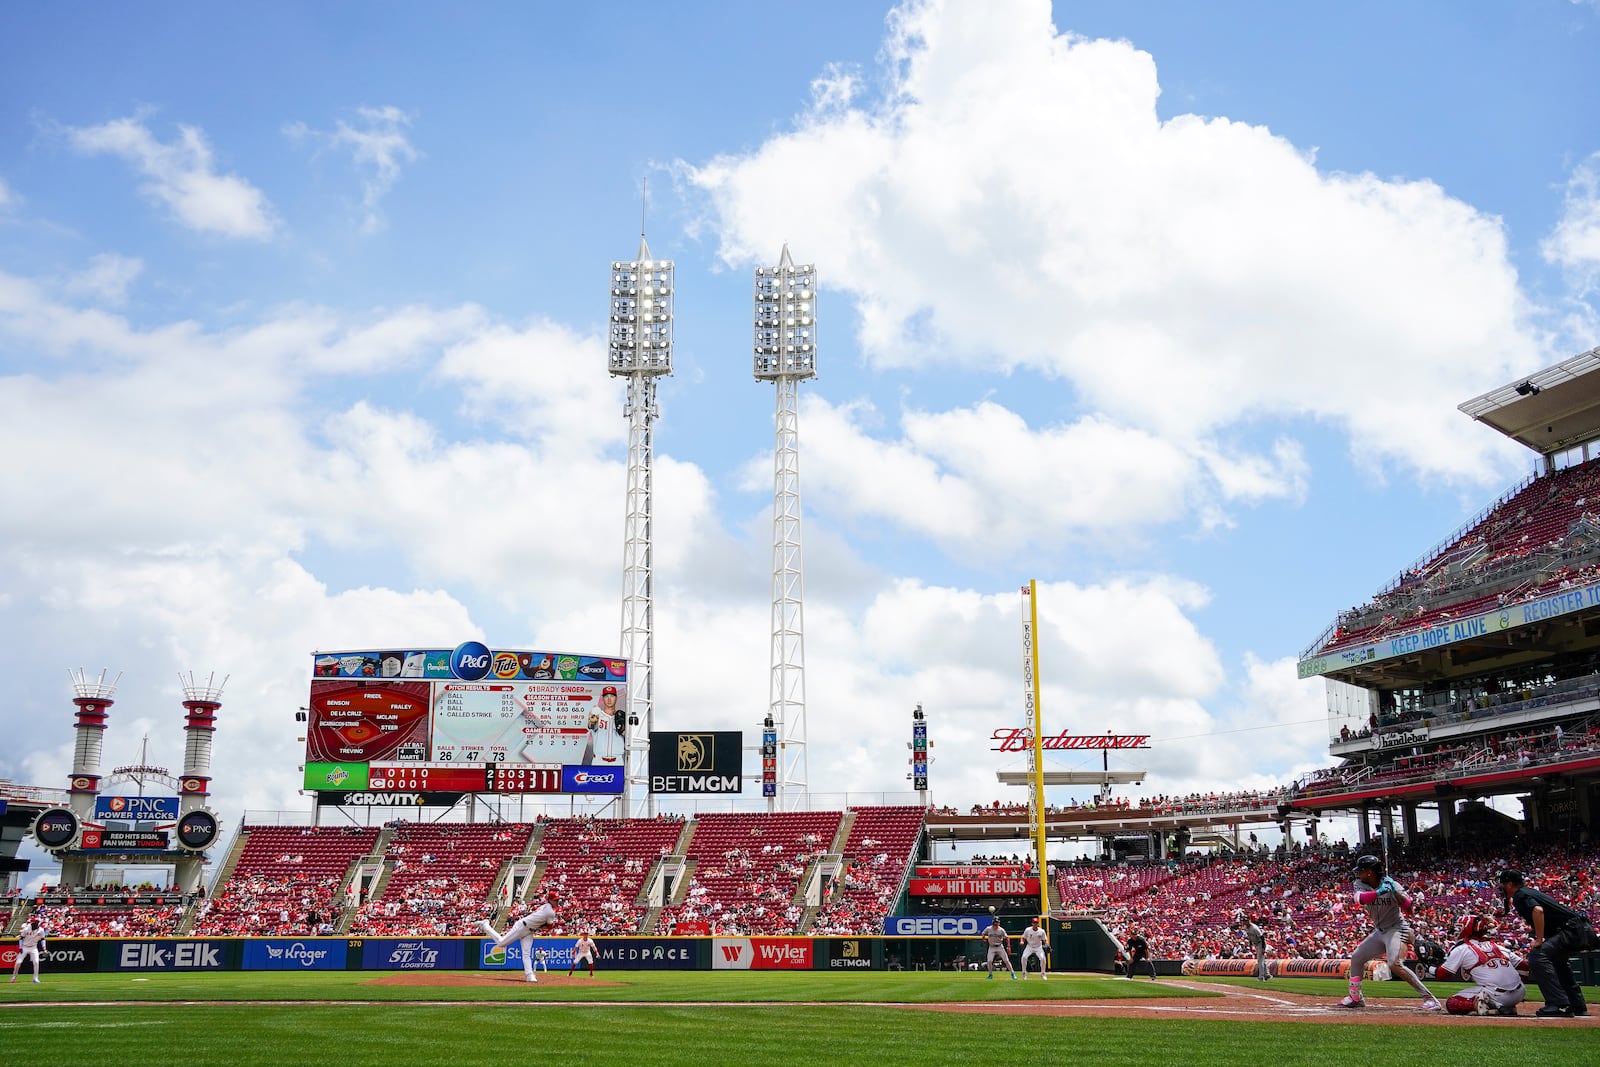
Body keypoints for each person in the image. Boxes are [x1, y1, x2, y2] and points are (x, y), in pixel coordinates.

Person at [1337, 855, 1441, 1011]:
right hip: (1380, 931)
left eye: (1362, 870)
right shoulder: (1359, 884)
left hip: (1397, 928)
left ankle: (1430, 999)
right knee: (1357, 957)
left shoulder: (1393, 884)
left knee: (1394, 964)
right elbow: (1360, 899)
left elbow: (1408, 907)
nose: (1359, 873)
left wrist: (1394, 891)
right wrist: (1380, 892)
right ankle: (1355, 997)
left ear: (1370, 872)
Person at [1498, 868, 1597, 1017]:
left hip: (1572, 931)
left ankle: (1559, 1004)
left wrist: (1539, 939)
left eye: (1503, 884)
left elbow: (1538, 910)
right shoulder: (1528, 892)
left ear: (1510, 884)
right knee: (1558, 962)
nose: (1502, 888)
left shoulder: (1520, 895)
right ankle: (1576, 1004)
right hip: (1579, 930)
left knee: (1538, 956)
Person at [1435, 914, 1526, 1017]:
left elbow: (1442, 975)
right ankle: (1507, 1007)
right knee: (1494, 990)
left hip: (1497, 995)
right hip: (1520, 992)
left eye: (1460, 927)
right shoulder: (1498, 946)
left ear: (1467, 929)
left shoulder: (1462, 949)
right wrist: (1514, 985)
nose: (1457, 930)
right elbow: (1524, 966)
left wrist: (1430, 968)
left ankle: (1478, 1004)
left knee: (1451, 1003)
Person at [479, 897, 561, 983]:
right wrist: (547, 925)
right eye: (555, 900)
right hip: (522, 927)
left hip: (529, 931)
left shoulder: (546, 906)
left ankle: (529, 975)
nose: (557, 901)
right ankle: (485, 926)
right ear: (550, 900)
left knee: (526, 954)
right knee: (501, 943)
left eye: (557, 900)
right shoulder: (550, 912)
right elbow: (549, 927)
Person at [1235, 909, 1269, 982]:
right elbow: (1249, 937)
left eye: (1246, 920)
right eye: (1244, 921)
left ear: (1249, 920)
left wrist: (1263, 948)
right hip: (1255, 943)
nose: (1245, 922)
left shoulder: (1254, 927)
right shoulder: (1246, 927)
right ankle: (1267, 974)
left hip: (1260, 943)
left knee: (1260, 960)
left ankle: (1261, 977)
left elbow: (1262, 937)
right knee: (1262, 960)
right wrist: (1250, 945)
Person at [8, 919, 46, 984]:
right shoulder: (26, 929)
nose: (36, 924)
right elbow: (21, 938)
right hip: (25, 947)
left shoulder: (41, 930)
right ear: (32, 923)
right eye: (34, 923)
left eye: (37, 923)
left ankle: (35, 978)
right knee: (18, 962)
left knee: (36, 962)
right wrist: (20, 947)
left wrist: (44, 948)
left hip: (34, 947)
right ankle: (14, 977)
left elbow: (42, 939)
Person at [981, 914, 1016, 980]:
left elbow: (1007, 938)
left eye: (997, 922)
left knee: (1006, 960)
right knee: (989, 961)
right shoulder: (989, 929)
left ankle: (1012, 974)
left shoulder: (1001, 930)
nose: (996, 924)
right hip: (992, 947)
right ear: (993, 922)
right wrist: (983, 938)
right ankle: (990, 975)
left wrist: (1008, 946)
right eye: (995, 922)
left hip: (999, 946)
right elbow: (983, 933)